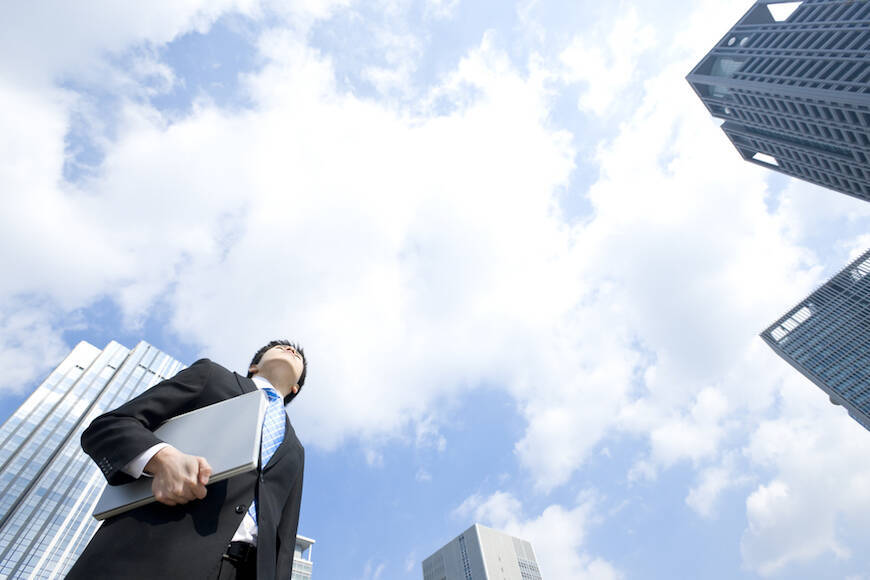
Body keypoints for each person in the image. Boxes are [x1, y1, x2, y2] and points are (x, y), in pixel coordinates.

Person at [67, 340, 307, 580]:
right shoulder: (213, 377)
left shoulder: (295, 449)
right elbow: (109, 426)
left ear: (295, 387)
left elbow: (285, 538)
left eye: (297, 355)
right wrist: (162, 458)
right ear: (254, 366)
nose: (290, 350)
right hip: (152, 553)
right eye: (279, 347)